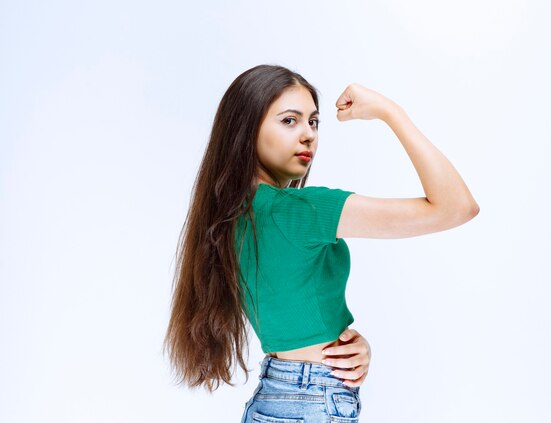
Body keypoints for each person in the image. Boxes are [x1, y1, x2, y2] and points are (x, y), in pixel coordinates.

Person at [163, 64, 479, 423]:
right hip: (311, 402)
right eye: (289, 121)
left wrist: (348, 346)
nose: (308, 135)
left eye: (313, 122)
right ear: (245, 129)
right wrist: (391, 113)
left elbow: (293, 318)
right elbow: (456, 207)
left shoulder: (229, 217)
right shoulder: (301, 210)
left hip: (275, 396)